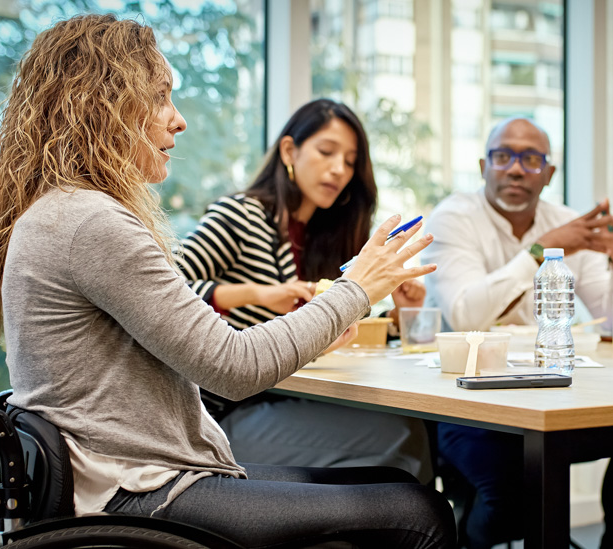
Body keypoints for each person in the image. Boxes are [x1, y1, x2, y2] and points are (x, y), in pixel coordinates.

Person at [0, 14, 453, 548]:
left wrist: (332, 316)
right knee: (419, 513)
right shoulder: (87, 222)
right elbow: (233, 369)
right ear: (104, 104)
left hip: (130, 477)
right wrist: (357, 291)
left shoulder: (61, 213)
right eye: (161, 96)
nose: (178, 120)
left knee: (399, 483)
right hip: (136, 491)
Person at [423, 117, 613, 549]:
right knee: (514, 502)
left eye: (531, 159)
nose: (516, 169)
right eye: (504, 156)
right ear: (484, 166)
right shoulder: (453, 218)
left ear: (548, 173)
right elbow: (465, 316)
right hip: (471, 406)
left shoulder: (570, 223)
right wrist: (541, 251)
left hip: (554, 397)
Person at [176, 98, 434, 483]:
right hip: (219, 413)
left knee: (407, 427)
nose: (338, 170)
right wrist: (258, 294)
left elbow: (348, 327)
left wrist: (399, 312)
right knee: (401, 438)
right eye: (327, 152)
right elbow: (167, 289)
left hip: (292, 398)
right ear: (289, 150)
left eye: (349, 162)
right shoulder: (241, 215)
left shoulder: (330, 237)